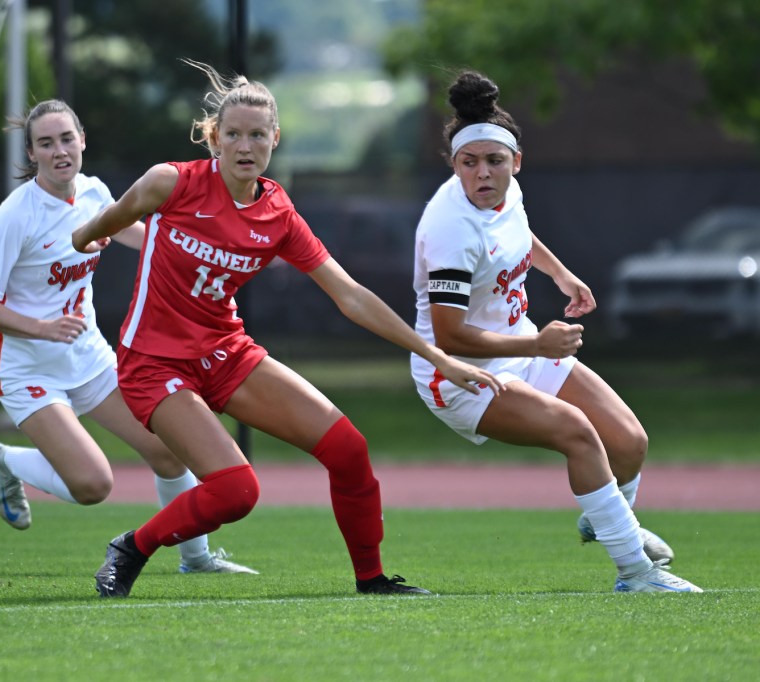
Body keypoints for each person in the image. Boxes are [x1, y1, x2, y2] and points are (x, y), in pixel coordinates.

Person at [70, 59, 505, 599]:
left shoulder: (277, 212)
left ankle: (372, 580)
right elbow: (114, 216)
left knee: (348, 450)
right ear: (215, 139)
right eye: (233, 134)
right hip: (154, 362)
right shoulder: (171, 182)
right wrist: (84, 235)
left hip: (227, 354)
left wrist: (436, 355)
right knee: (236, 492)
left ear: (275, 139)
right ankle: (133, 546)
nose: (245, 145)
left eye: (257, 134)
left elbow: (349, 296)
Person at [409, 71, 702, 593]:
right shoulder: (449, 229)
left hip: (518, 347)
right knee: (578, 434)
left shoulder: (506, 192)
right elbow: (450, 337)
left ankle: (609, 518)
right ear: (453, 166)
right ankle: (636, 572)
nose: (482, 173)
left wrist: (560, 273)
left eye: (495, 161)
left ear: (515, 163)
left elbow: (515, 229)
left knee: (629, 441)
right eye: (469, 162)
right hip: (456, 375)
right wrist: (537, 343)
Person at [0, 99, 257, 575]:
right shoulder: (16, 216)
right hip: (27, 369)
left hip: (89, 358)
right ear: (32, 153)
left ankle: (196, 560)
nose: (59, 151)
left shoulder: (95, 192)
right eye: (46, 143)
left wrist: (208, 254)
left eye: (66, 139)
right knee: (93, 485)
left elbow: (144, 238)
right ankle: (5, 460)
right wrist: (42, 328)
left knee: (168, 449)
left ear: (82, 140)